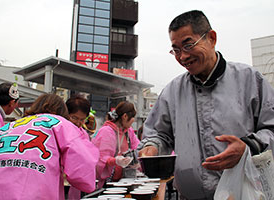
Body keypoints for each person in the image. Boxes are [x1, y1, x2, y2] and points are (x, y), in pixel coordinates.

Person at [137, 10, 274, 200]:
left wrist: (248, 147)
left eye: (188, 45)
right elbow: (159, 134)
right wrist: (152, 147)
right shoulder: (172, 91)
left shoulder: (250, 80)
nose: (182, 57)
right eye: (176, 50)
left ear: (211, 38)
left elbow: (271, 128)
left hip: (244, 194)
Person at [0, 93, 99, 200]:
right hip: (34, 193)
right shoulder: (60, 124)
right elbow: (83, 169)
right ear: (63, 112)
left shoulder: (8, 127)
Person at [92, 101, 140, 188]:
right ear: (125, 116)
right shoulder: (106, 131)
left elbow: (137, 147)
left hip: (123, 180)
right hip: (107, 183)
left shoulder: (129, 131)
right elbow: (101, 159)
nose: (131, 125)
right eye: (132, 120)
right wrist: (116, 161)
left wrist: (138, 159)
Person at [65, 94, 99, 199]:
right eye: (74, 118)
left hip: (76, 184)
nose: (78, 123)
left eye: (82, 119)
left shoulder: (83, 133)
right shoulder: (60, 130)